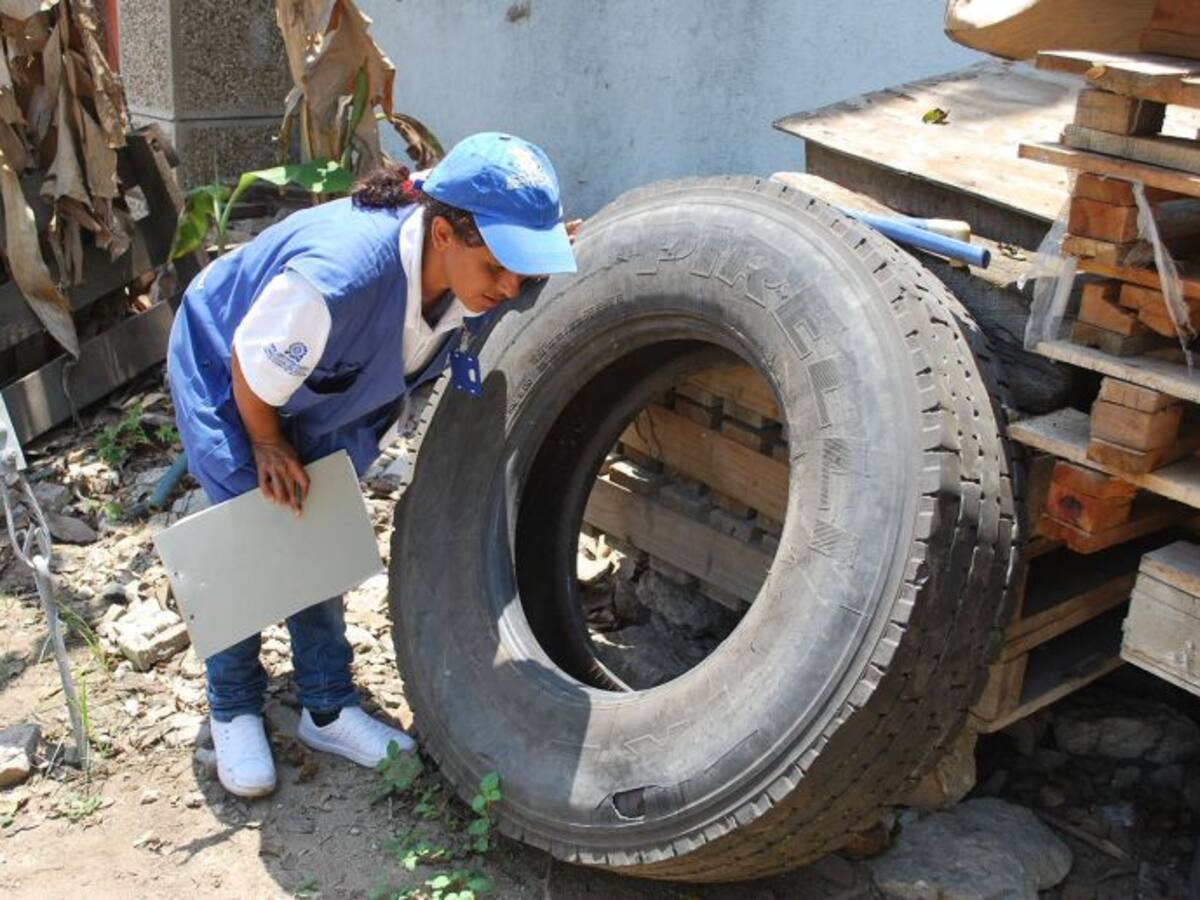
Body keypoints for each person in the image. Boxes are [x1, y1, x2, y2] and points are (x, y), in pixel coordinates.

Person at [166, 132, 577, 798]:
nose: (510, 288)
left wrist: (535, 259)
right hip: (235, 364)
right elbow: (251, 363)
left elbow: (500, 282)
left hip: (325, 376)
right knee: (249, 529)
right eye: (502, 267)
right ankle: (233, 705)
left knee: (317, 519)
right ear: (445, 235)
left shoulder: (471, 271)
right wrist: (267, 443)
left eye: (524, 272)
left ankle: (326, 705)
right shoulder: (339, 280)